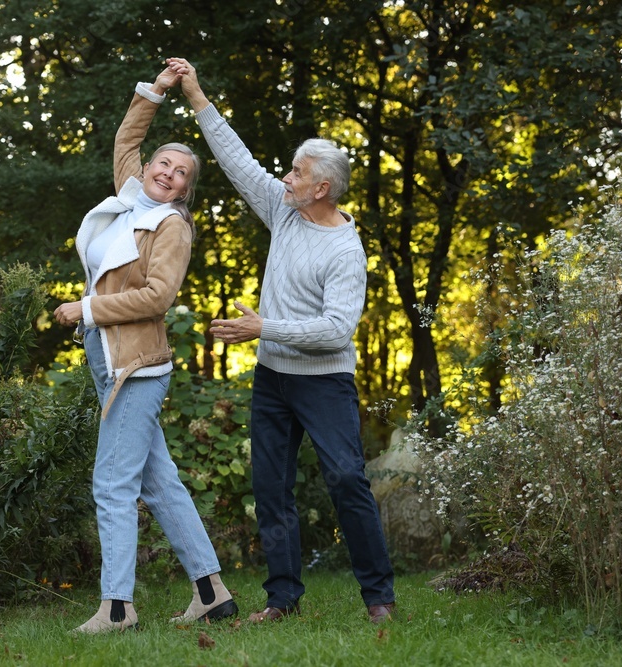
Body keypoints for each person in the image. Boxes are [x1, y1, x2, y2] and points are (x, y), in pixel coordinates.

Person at [167, 57, 397, 625]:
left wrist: (262, 327)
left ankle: (379, 599)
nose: (285, 177)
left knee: (347, 479)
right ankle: (282, 601)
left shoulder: (346, 251)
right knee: (271, 489)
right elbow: (237, 159)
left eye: (296, 172)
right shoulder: (284, 212)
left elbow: (335, 331)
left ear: (322, 187)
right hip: (273, 379)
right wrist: (196, 95)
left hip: (323, 382)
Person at [53, 65, 238, 633]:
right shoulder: (131, 199)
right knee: (159, 483)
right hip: (108, 359)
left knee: (112, 483)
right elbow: (127, 138)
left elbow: (157, 298)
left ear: (186, 188)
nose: (169, 174)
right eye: (164, 163)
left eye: (182, 173)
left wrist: (85, 309)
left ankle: (117, 607)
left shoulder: (170, 227)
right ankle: (212, 592)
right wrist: (157, 90)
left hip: (136, 367)